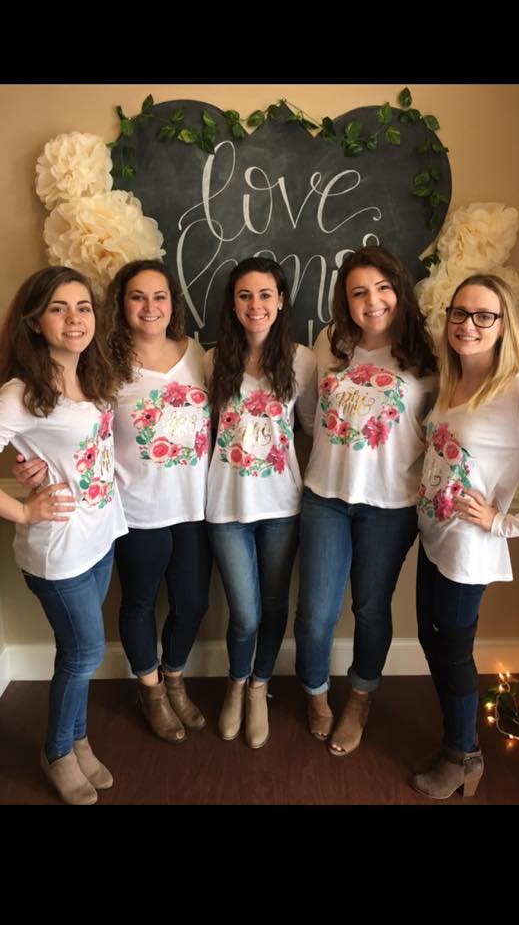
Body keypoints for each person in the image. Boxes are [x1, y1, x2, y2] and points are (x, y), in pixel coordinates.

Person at [15, 259, 212, 746]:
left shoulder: (196, 355)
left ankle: (174, 677)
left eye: (159, 296)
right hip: (134, 509)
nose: (150, 307)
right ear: (121, 305)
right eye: (137, 297)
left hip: (193, 505)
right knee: (139, 602)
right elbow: (57, 422)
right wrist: (27, 467)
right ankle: (150, 690)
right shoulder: (106, 363)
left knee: (192, 603)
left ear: (173, 304)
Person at [294, 245, 438, 755]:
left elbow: (443, 425)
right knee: (315, 613)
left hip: (391, 505)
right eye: (359, 292)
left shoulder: (428, 352)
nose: (372, 301)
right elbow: (309, 415)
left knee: (371, 608)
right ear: (346, 301)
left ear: (399, 290)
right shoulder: (330, 342)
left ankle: (359, 697)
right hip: (325, 497)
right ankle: (315, 694)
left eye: (382, 288)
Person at [0, 266, 127, 805]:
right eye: (58, 308)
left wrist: (34, 464)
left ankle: (78, 740)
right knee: (84, 653)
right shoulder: (22, 392)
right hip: (58, 550)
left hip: (100, 536)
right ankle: (57, 752)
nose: (75, 319)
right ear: (34, 321)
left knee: (79, 653)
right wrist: (22, 511)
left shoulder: (92, 375)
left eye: (83, 307)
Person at [413, 273, 519, 798]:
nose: (468, 324)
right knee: (431, 640)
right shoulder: (453, 380)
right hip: (433, 539)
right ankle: (455, 740)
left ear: (504, 325)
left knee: (454, 652)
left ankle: (464, 755)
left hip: (469, 550)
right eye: (460, 313)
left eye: (484, 315)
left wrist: (503, 524)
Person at [205, 256, 317, 748]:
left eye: (265, 294)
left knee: (274, 606)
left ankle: (259, 686)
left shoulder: (303, 360)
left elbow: (311, 427)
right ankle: (236, 681)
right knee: (245, 613)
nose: (256, 305)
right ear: (233, 304)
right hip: (225, 506)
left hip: (281, 506)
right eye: (245, 295)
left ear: (281, 300)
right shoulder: (212, 361)